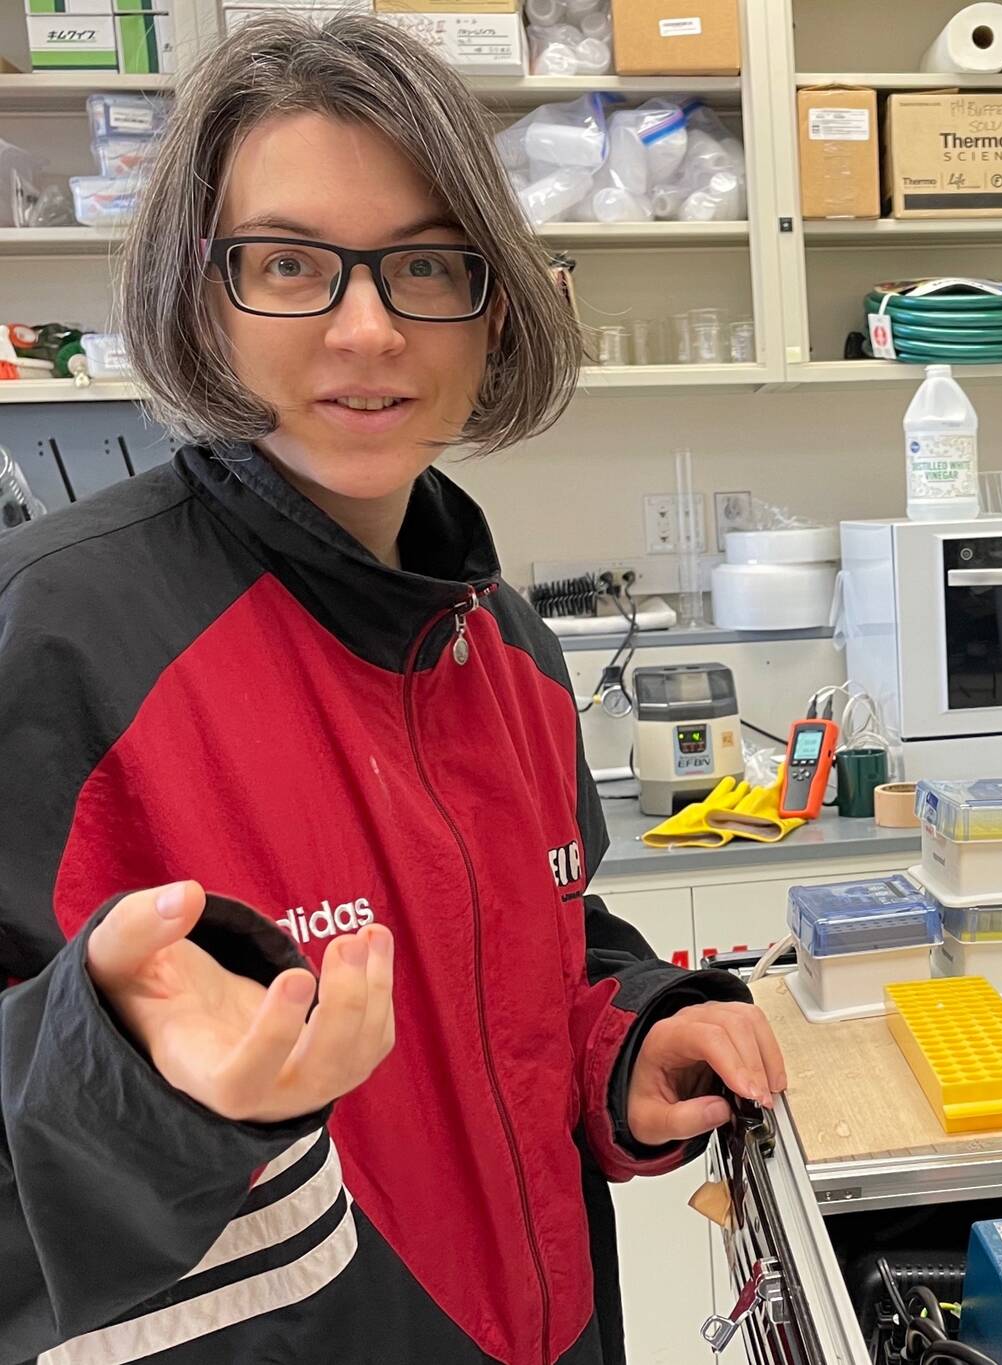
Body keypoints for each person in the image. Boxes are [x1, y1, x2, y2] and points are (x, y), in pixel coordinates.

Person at [0, 15, 786, 1364]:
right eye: (291, 264)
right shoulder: (52, 638)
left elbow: (533, 957)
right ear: (202, 294)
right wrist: (125, 1069)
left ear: (496, 306)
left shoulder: (512, 654)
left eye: (426, 264)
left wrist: (623, 1039)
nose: (366, 329)